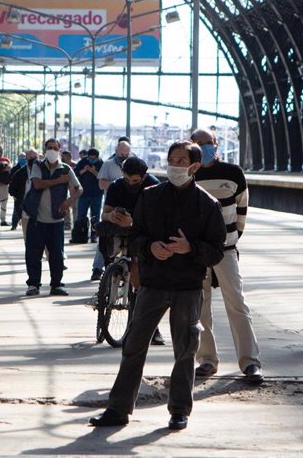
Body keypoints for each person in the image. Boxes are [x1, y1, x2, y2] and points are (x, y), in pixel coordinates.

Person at [89, 140, 226, 430]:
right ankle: (118, 409)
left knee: (185, 349)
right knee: (134, 345)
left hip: (187, 286)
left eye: (181, 160)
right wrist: (150, 247)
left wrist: (190, 248)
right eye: (172, 159)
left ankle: (179, 410)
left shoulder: (207, 205)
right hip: (153, 283)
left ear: (194, 166)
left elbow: (216, 250)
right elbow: (135, 235)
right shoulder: (150, 197)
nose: (175, 165)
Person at [191, 129, 263, 383]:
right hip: (197, 252)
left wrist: (232, 237)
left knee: (237, 304)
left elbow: (242, 208)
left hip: (226, 250)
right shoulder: (190, 174)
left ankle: (250, 361)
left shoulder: (234, 173)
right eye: (197, 144)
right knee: (200, 306)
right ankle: (207, 360)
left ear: (216, 144)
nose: (203, 147)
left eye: (206, 143)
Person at [101, 156, 165, 346]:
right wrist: (112, 216)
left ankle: (153, 328)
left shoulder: (154, 187)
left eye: (135, 181)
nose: (130, 184)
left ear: (143, 177)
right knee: (107, 247)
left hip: (144, 233)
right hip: (119, 230)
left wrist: (134, 222)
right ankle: (108, 283)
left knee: (140, 275)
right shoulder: (115, 186)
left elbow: (158, 220)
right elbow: (105, 212)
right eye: (127, 179)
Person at [24, 138, 82, 297]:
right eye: (49, 148)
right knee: (33, 254)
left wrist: (69, 201)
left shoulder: (66, 169)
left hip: (56, 221)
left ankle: (56, 284)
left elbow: (78, 189)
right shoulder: (38, 166)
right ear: (45, 149)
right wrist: (59, 181)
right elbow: (37, 184)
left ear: (59, 150)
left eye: (55, 148)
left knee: (57, 255)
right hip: (37, 219)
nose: (52, 151)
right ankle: (33, 284)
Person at [91, 140, 133, 279]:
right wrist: (119, 186)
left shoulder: (133, 163)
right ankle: (97, 268)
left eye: (127, 154)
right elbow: (102, 184)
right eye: (122, 154)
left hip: (130, 208)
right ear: (116, 151)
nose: (124, 156)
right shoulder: (108, 164)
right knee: (105, 235)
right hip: (111, 206)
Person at [74, 148, 103, 243]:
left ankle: (94, 235)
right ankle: (81, 235)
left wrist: (93, 171)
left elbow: (102, 177)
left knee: (95, 216)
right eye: (90, 158)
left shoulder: (101, 163)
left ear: (97, 157)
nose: (91, 160)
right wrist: (84, 170)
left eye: (93, 158)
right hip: (84, 194)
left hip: (96, 194)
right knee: (81, 216)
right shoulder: (83, 162)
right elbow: (75, 173)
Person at [9, 152, 27, 230]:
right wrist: (14, 194)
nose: (22, 158)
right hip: (18, 194)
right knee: (16, 209)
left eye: (24, 157)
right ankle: (14, 224)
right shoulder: (15, 169)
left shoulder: (30, 168)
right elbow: (11, 181)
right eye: (21, 157)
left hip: (27, 194)